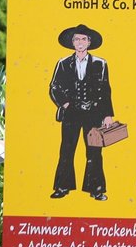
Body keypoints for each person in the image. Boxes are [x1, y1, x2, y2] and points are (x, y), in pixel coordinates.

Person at [49, 23, 115, 201]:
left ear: (89, 42)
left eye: (83, 39)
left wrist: (108, 114)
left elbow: (105, 90)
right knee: (67, 150)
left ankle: (97, 189)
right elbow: (54, 87)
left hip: (93, 113)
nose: (80, 42)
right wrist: (66, 104)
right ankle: (62, 187)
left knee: (94, 151)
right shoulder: (63, 63)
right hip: (71, 114)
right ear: (72, 42)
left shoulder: (100, 64)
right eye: (77, 39)